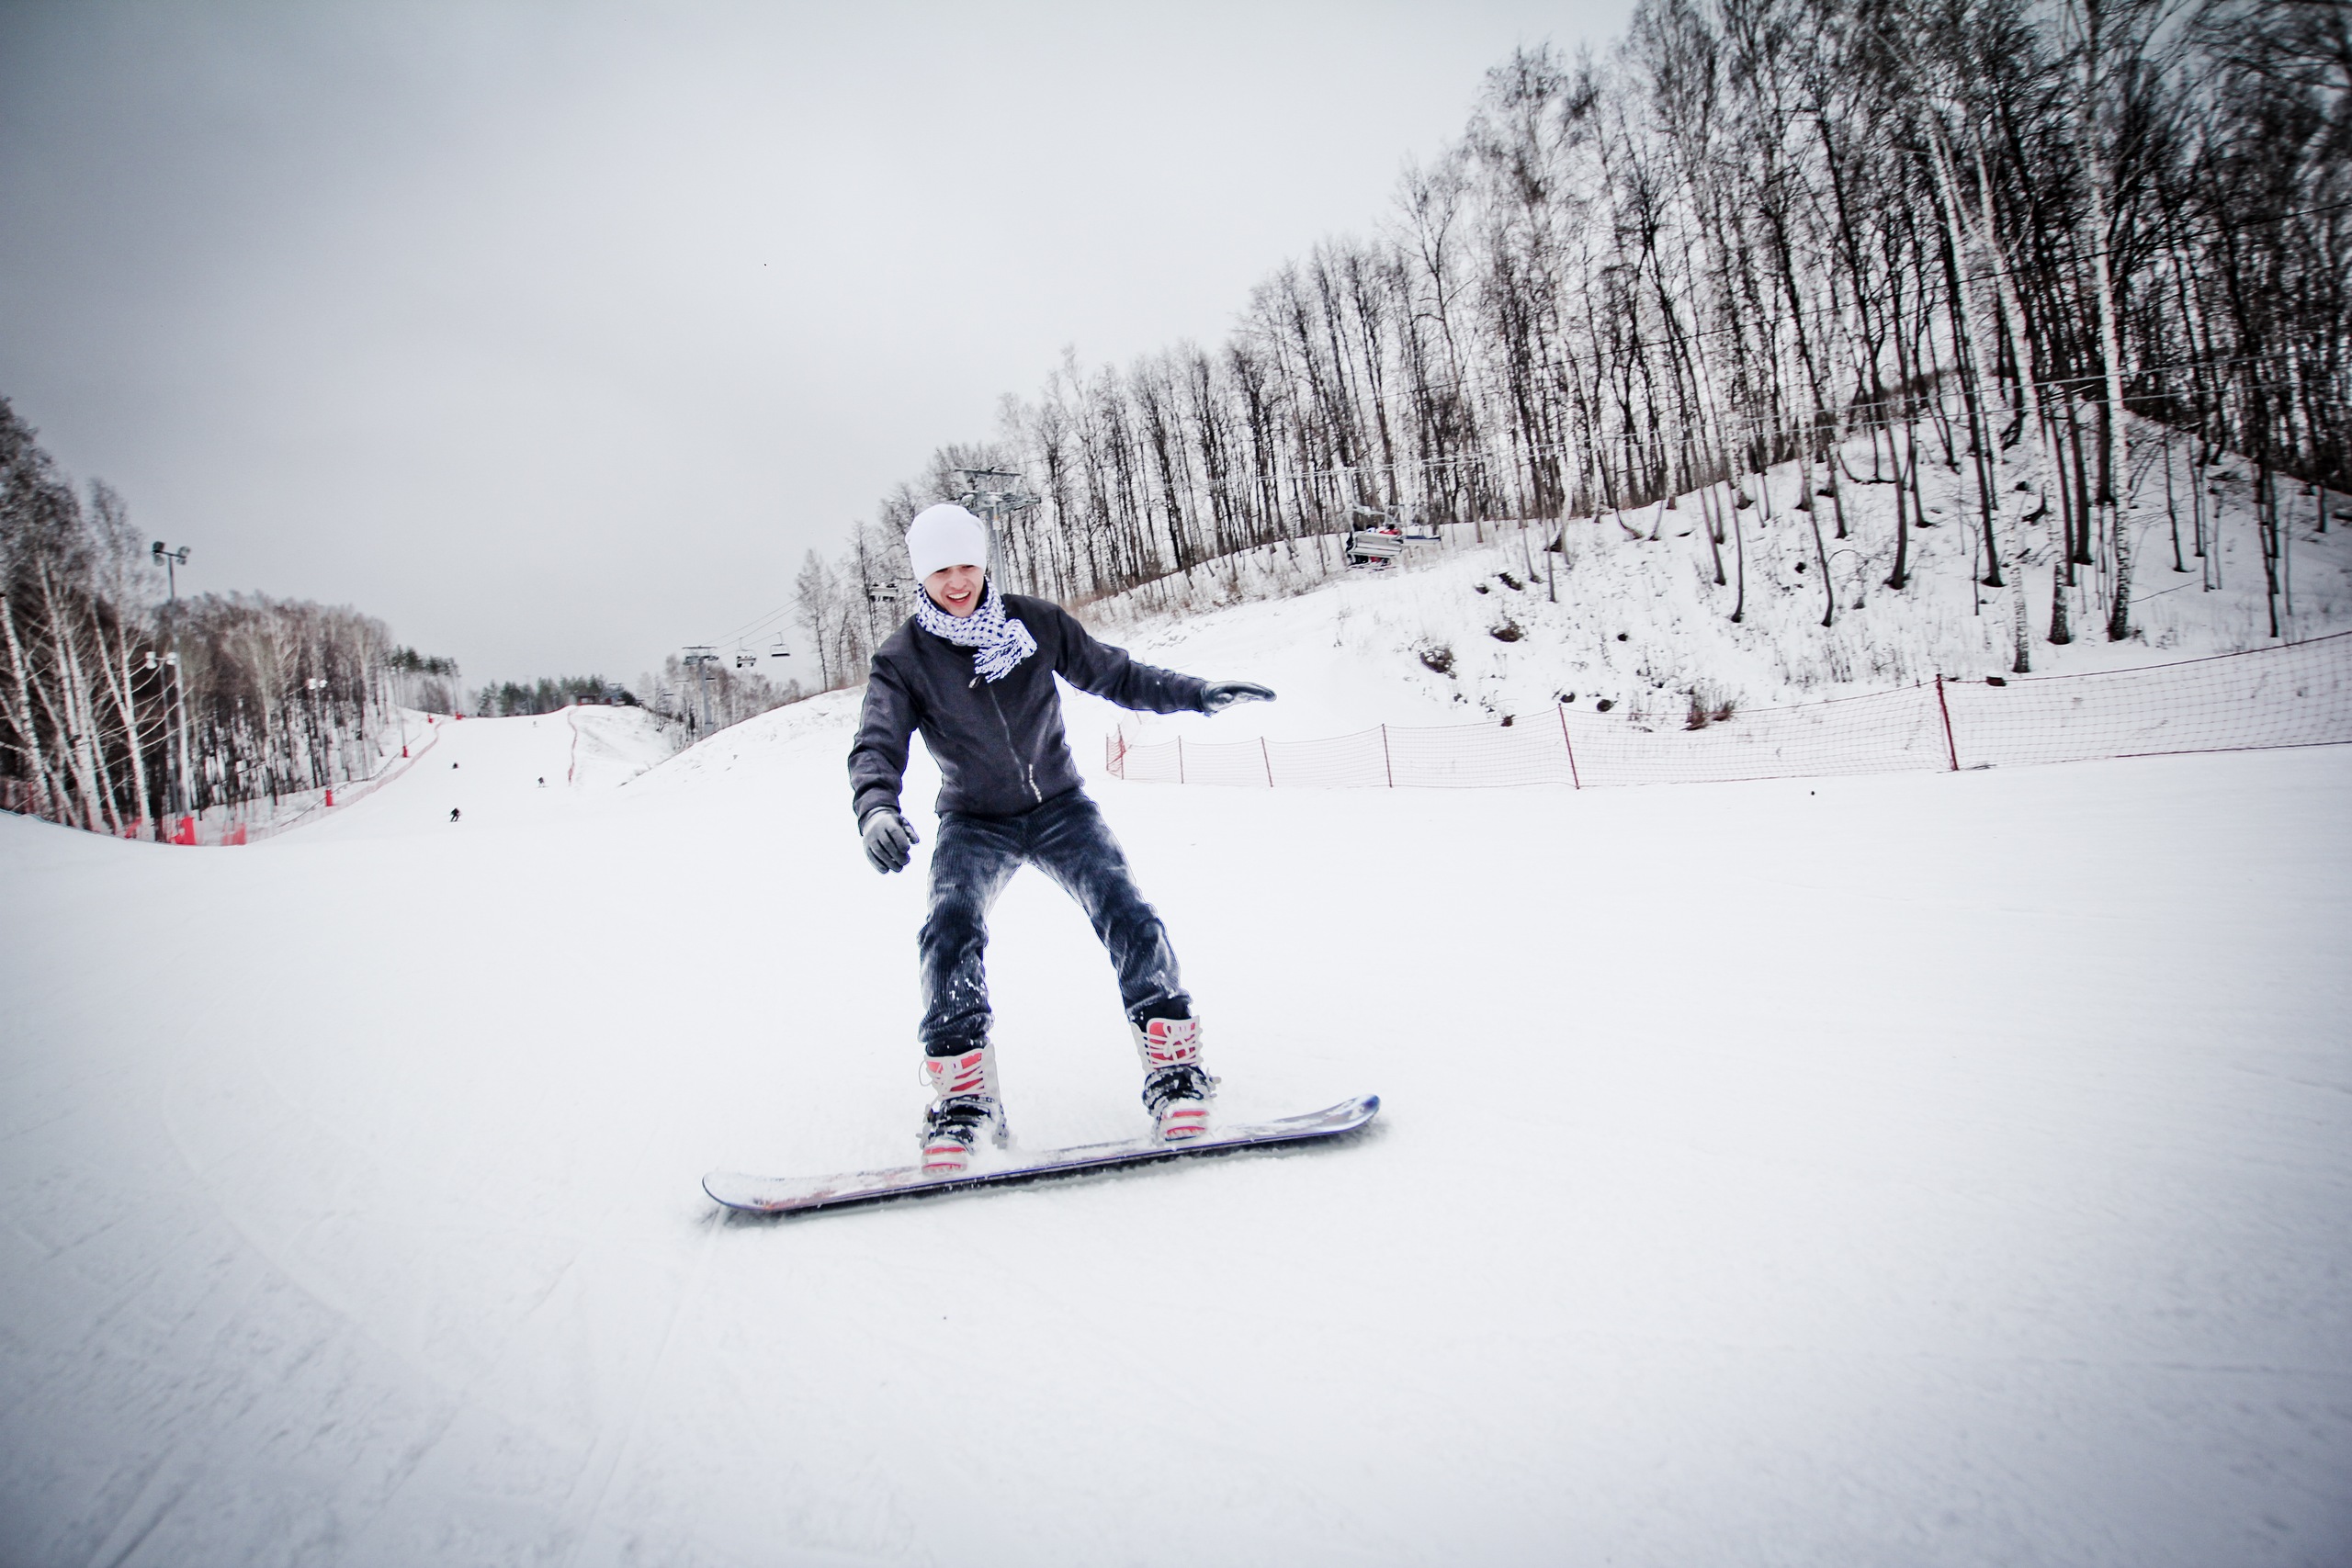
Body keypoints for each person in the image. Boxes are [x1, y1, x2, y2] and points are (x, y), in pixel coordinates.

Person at [849, 503, 1273, 1175]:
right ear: (920, 576)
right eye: (940, 571)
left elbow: (1117, 674)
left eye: (967, 566)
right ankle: (965, 1099)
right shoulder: (904, 659)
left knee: (1124, 906)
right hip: (973, 820)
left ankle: (1175, 1071)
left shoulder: (1035, 624)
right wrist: (876, 807)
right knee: (949, 926)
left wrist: (1196, 693)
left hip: (1060, 807)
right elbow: (876, 742)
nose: (957, 582)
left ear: (984, 564)